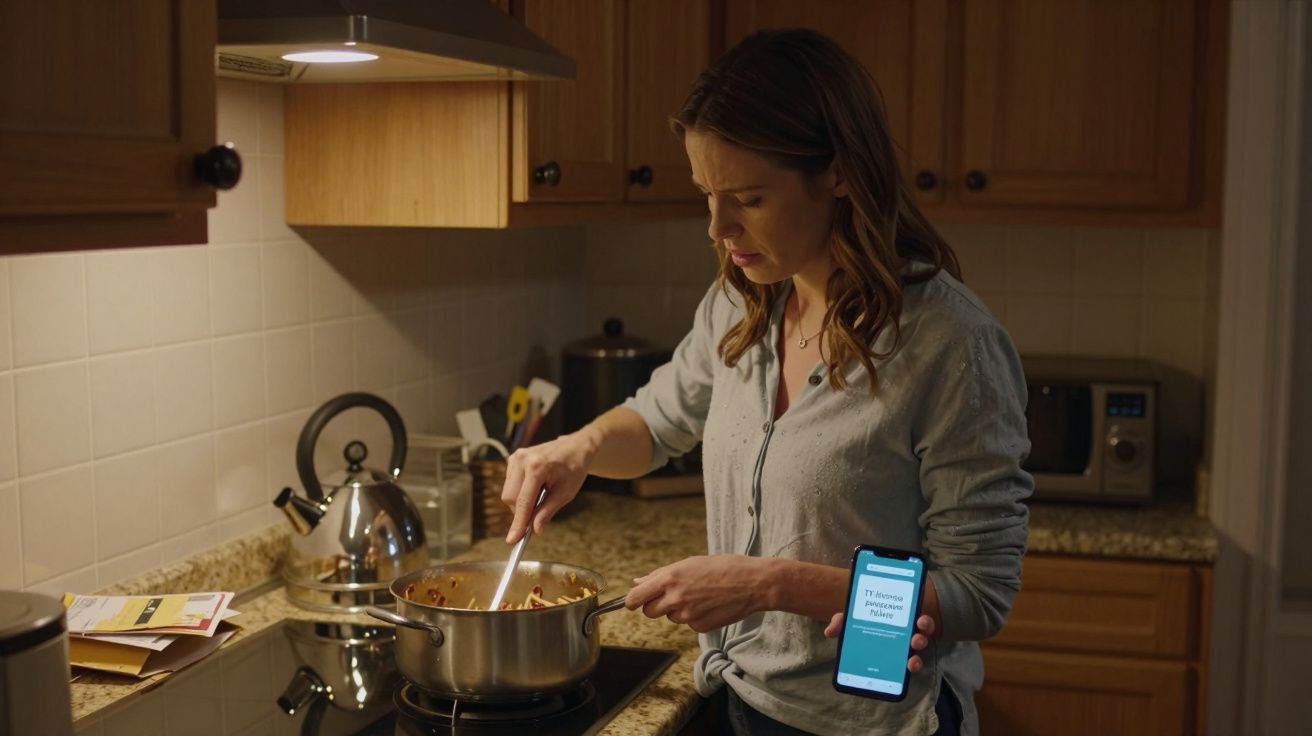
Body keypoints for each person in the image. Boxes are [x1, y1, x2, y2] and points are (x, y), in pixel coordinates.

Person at [500, 28, 1032, 736]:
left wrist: (770, 584)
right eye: (707, 196)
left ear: (838, 173)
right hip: (735, 697)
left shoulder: (948, 344)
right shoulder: (741, 302)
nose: (719, 227)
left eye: (748, 198)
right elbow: (658, 423)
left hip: (870, 720)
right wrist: (580, 449)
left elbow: (978, 593)